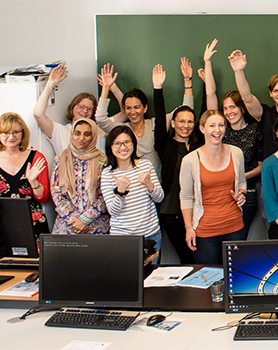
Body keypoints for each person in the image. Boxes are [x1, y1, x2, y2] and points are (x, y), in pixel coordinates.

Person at [202, 40, 262, 239]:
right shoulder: (220, 131)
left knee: (238, 240)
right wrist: (207, 62)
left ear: (241, 108)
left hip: (248, 194)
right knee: (219, 241)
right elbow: (210, 94)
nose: (228, 112)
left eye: (233, 107)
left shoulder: (254, 130)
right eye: (225, 108)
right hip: (220, 195)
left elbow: (262, 165)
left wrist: (241, 176)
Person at [180, 110, 247, 265]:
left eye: (221, 125)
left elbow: (242, 182)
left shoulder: (236, 153)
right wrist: (189, 228)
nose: (217, 130)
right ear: (202, 128)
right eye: (212, 125)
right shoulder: (190, 160)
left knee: (237, 277)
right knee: (208, 277)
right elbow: (185, 197)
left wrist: (242, 193)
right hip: (205, 230)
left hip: (234, 226)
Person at [0, 113, 51, 235]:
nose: (11, 137)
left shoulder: (36, 158)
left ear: (23, 133)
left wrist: (34, 182)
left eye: (16, 132)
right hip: (1, 225)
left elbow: (43, 197)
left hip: (32, 223)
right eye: (6, 133)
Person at [155, 59, 200, 264]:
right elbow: (157, 115)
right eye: (181, 121)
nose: (186, 125)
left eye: (190, 121)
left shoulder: (199, 146)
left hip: (197, 210)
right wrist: (157, 89)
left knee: (201, 255)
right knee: (187, 257)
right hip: (172, 211)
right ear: (173, 123)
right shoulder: (166, 145)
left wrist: (190, 81)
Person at [101, 126, 164, 261]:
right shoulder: (107, 174)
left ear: (133, 144)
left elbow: (159, 198)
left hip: (151, 234)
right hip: (123, 239)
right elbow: (113, 211)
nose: (123, 147)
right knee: (126, 278)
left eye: (127, 142)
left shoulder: (145, 165)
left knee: (151, 278)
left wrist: (149, 185)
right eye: (117, 143)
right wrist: (120, 192)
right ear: (110, 147)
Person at [96, 64, 162, 177]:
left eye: (136, 107)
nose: (132, 112)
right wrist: (107, 87)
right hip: (130, 186)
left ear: (145, 108)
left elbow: (183, 113)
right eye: (128, 108)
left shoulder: (154, 124)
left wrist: (187, 81)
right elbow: (100, 119)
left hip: (155, 184)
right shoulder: (122, 130)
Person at [50, 119, 109, 235]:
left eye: (87, 134)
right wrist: (74, 219)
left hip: (96, 225)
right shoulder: (61, 159)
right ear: (72, 134)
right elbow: (56, 192)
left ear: (93, 136)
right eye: (77, 133)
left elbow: (106, 195)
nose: (81, 138)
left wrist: (84, 220)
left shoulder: (103, 160)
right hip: (67, 224)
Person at [32, 64, 105, 152]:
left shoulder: (99, 132)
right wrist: (50, 83)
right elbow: (38, 114)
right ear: (73, 107)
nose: (85, 111)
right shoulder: (60, 131)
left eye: (89, 109)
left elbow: (123, 115)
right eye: (81, 107)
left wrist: (107, 87)